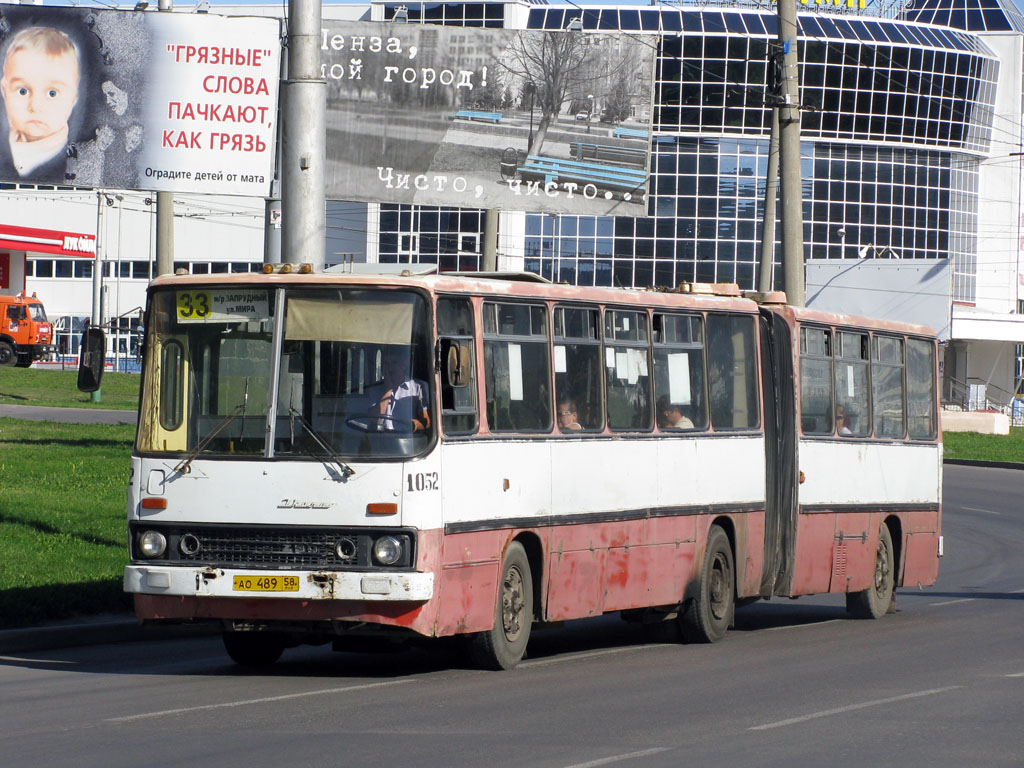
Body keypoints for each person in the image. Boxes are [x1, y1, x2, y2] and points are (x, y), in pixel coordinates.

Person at [0, 27, 80, 183]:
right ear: (4, 91)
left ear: (72, 100)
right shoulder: (6, 146)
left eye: (52, 93)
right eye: (23, 91)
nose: (35, 106)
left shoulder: (71, 160)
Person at [369, 346, 430, 432]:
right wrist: (389, 390)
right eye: (387, 364)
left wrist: (413, 425)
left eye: (394, 363)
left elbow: (426, 422)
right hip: (381, 438)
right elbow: (374, 419)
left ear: (404, 365)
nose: (390, 369)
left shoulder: (418, 387)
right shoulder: (375, 390)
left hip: (406, 440)